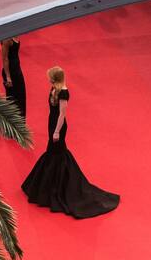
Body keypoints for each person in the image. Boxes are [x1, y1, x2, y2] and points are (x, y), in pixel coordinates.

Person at [21, 66, 119, 218]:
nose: (48, 80)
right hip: (52, 122)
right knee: (53, 154)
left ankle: (56, 187)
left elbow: (62, 114)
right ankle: (50, 186)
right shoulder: (54, 88)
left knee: (55, 153)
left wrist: (56, 131)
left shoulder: (64, 93)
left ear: (55, 78)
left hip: (58, 126)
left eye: (50, 77)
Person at [1, 37, 26, 117]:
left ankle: (21, 122)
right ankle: (13, 123)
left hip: (17, 70)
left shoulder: (14, 34)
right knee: (13, 100)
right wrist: (8, 77)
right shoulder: (6, 39)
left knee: (21, 97)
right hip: (11, 73)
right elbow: (5, 59)